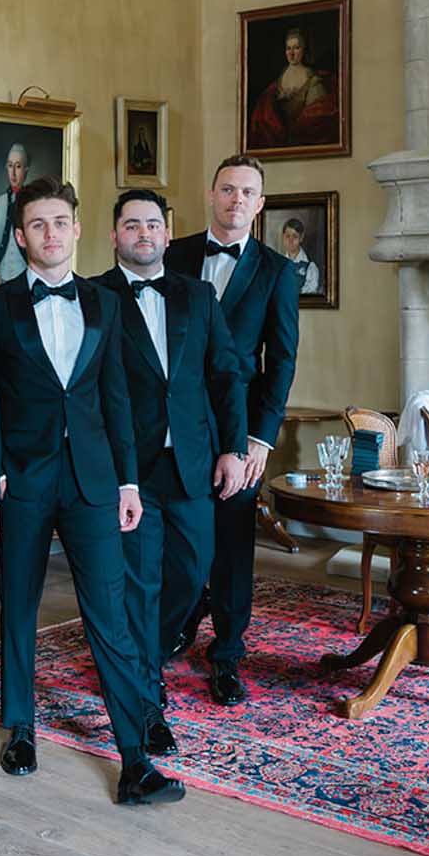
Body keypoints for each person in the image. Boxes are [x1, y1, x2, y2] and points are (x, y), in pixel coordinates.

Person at [0, 179, 185, 807]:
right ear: (21, 236)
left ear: (76, 229)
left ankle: (133, 758)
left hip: (95, 480)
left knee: (112, 612)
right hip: (21, 479)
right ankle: (20, 725)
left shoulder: (104, 302)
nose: (50, 233)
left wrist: (128, 479)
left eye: (60, 222)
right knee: (19, 602)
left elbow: (116, 397)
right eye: (37, 224)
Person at [92, 189, 248, 754]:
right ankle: (146, 700)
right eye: (131, 225)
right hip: (128, 470)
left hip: (191, 464)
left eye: (153, 225)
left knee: (190, 571)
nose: (143, 234)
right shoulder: (94, 297)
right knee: (139, 582)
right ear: (114, 236)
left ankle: (145, 656)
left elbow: (226, 376)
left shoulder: (198, 295)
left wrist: (234, 447)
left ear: (167, 232)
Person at [163, 155, 300, 706]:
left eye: (247, 192)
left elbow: (282, 360)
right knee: (177, 533)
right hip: (175, 420)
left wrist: (259, 439)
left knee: (232, 542)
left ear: (260, 204)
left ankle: (227, 656)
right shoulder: (173, 254)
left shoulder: (276, 271)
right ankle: (176, 622)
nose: (236, 199)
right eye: (227, 189)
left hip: (238, 422)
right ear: (211, 193)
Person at [247, 28, 339, 150]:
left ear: (304, 50)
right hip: (280, 144)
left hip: (305, 144)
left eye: (296, 48)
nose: (292, 53)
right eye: (288, 48)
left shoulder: (313, 79)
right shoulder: (277, 83)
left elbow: (317, 118)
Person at [0, 143, 31, 288]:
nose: (13, 173)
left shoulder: (33, 203)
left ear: (26, 170)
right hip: (3, 273)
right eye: (10, 166)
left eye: (18, 166)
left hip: (25, 272)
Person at [279, 217, 320, 295]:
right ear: (283, 237)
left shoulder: (310, 267)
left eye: (295, 236)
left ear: (301, 238)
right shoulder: (278, 265)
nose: (290, 240)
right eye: (287, 236)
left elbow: (309, 294)